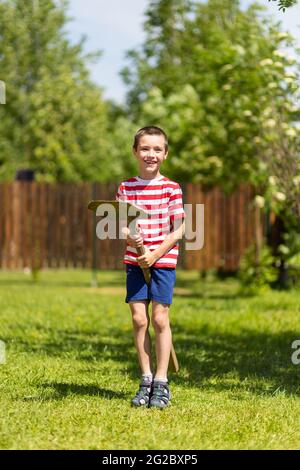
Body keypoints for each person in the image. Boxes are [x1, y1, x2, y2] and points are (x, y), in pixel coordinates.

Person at [116, 126, 185, 409]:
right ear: (135, 152)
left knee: (159, 319)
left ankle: (161, 382)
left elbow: (178, 230)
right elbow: (120, 224)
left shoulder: (171, 188)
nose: (151, 154)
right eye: (145, 148)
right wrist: (129, 235)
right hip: (135, 261)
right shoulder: (125, 187)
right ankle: (145, 378)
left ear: (165, 154)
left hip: (163, 260)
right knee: (139, 319)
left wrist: (154, 254)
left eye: (157, 149)